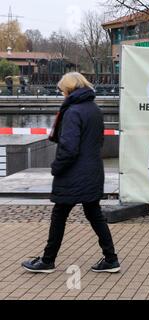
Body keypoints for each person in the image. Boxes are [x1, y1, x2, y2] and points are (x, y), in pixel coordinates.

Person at [21, 72, 120, 273]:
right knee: (94, 214)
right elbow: (97, 141)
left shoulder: (73, 111)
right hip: (92, 170)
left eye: (62, 90)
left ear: (69, 89)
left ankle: (47, 260)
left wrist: (57, 167)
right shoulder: (94, 109)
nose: (61, 94)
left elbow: (69, 147)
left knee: (59, 215)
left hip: (73, 173)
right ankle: (111, 258)